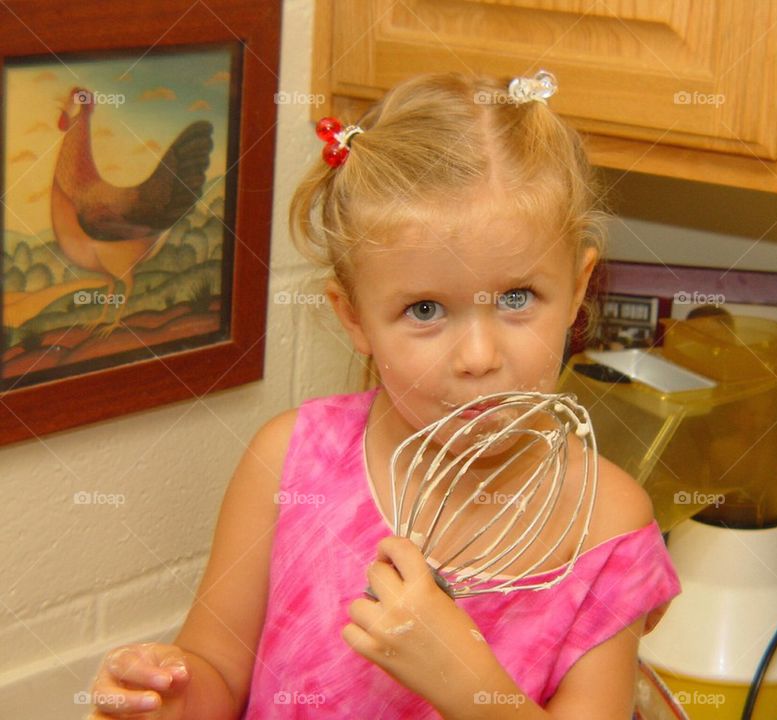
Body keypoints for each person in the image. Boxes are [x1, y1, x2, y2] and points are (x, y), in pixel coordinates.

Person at [88, 70, 680, 719]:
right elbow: (216, 673)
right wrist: (164, 695)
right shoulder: (289, 461)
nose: (478, 357)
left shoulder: (607, 522)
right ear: (353, 317)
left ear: (577, 288)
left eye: (517, 298)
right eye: (425, 309)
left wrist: (464, 681)